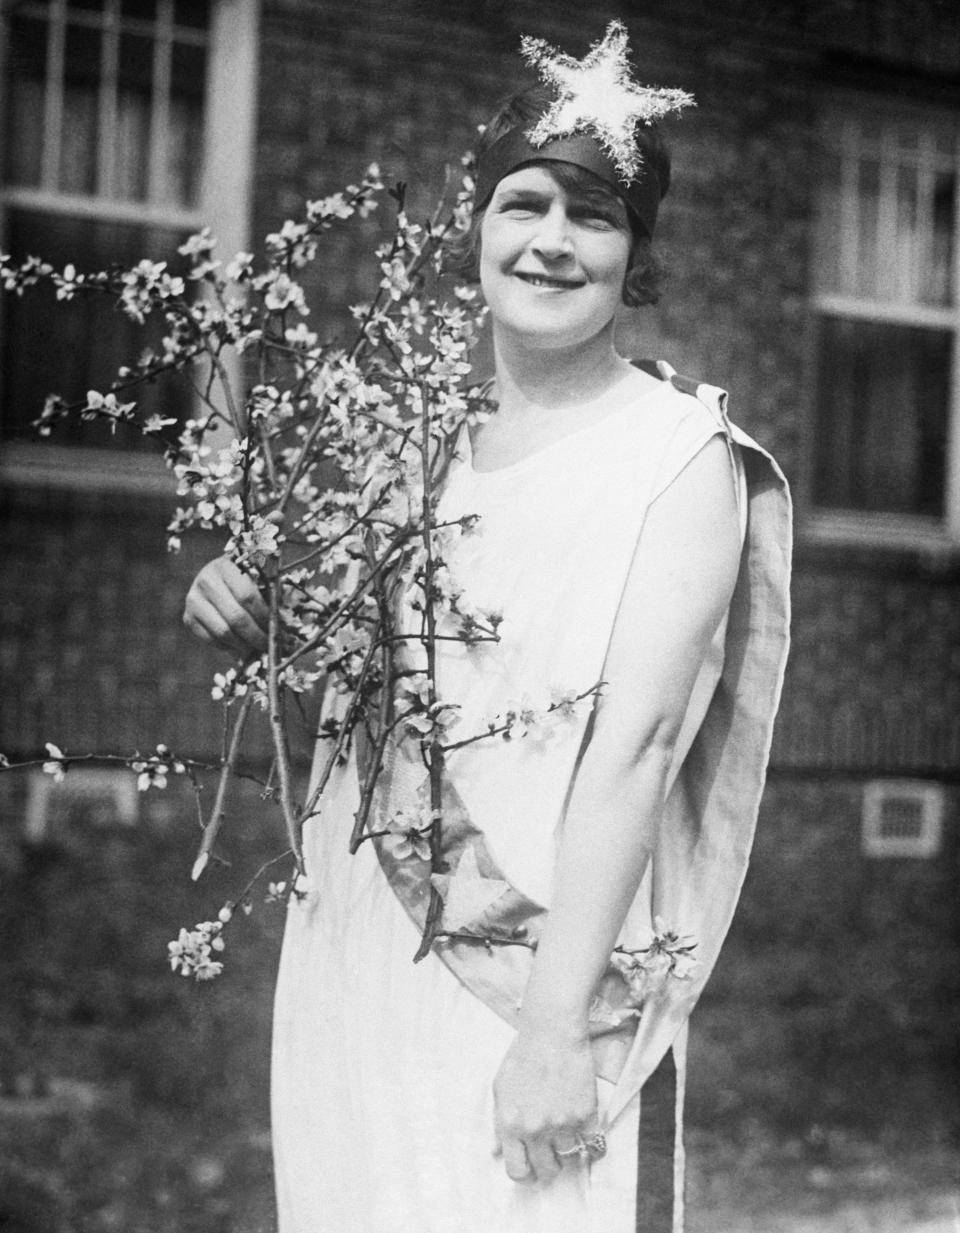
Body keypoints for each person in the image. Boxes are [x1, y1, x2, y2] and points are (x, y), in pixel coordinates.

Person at [183, 24, 791, 1233]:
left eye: (594, 214)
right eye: (525, 204)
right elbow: (353, 738)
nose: (552, 241)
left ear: (637, 254)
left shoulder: (680, 461)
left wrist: (558, 1034)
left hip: (537, 986)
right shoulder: (410, 459)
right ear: (478, 231)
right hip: (360, 957)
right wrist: (253, 626)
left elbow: (641, 747)